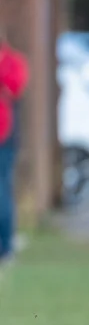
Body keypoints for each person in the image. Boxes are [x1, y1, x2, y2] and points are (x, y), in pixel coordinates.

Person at [0, 37, 29, 273]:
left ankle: (6, 246)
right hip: (6, 133)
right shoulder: (13, 62)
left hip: (5, 137)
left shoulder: (12, 62)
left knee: (3, 191)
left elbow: (16, 87)